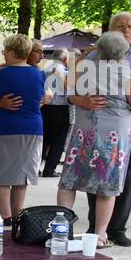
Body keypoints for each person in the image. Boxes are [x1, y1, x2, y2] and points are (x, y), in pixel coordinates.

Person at [56, 30, 131, 247]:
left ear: (98, 49)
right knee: (107, 185)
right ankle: (100, 235)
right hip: (114, 133)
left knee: (70, 179)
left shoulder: (85, 69)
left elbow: (67, 91)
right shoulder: (126, 73)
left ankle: (63, 228)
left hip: (85, 129)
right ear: (125, 51)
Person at [76, 12, 131, 247]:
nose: (126, 29)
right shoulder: (95, 53)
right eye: (121, 25)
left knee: (129, 171)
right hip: (101, 119)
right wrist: (81, 100)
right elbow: (75, 86)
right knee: (97, 170)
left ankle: (118, 228)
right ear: (110, 29)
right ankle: (95, 225)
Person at [0, 33, 51, 224]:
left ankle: (5, 214)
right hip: (33, 128)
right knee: (22, 174)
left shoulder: (1, 74)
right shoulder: (39, 74)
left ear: (10, 52)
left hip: (4, 128)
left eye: (4, 52)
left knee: (1, 173)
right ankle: (18, 213)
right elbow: (48, 96)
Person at [40, 50, 72, 178]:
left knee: (44, 139)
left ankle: (35, 167)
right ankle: (49, 170)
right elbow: (69, 90)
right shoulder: (65, 72)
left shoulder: (44, 70)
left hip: (44, 107)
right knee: (58, 141)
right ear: (65, 59)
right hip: (60, 108)